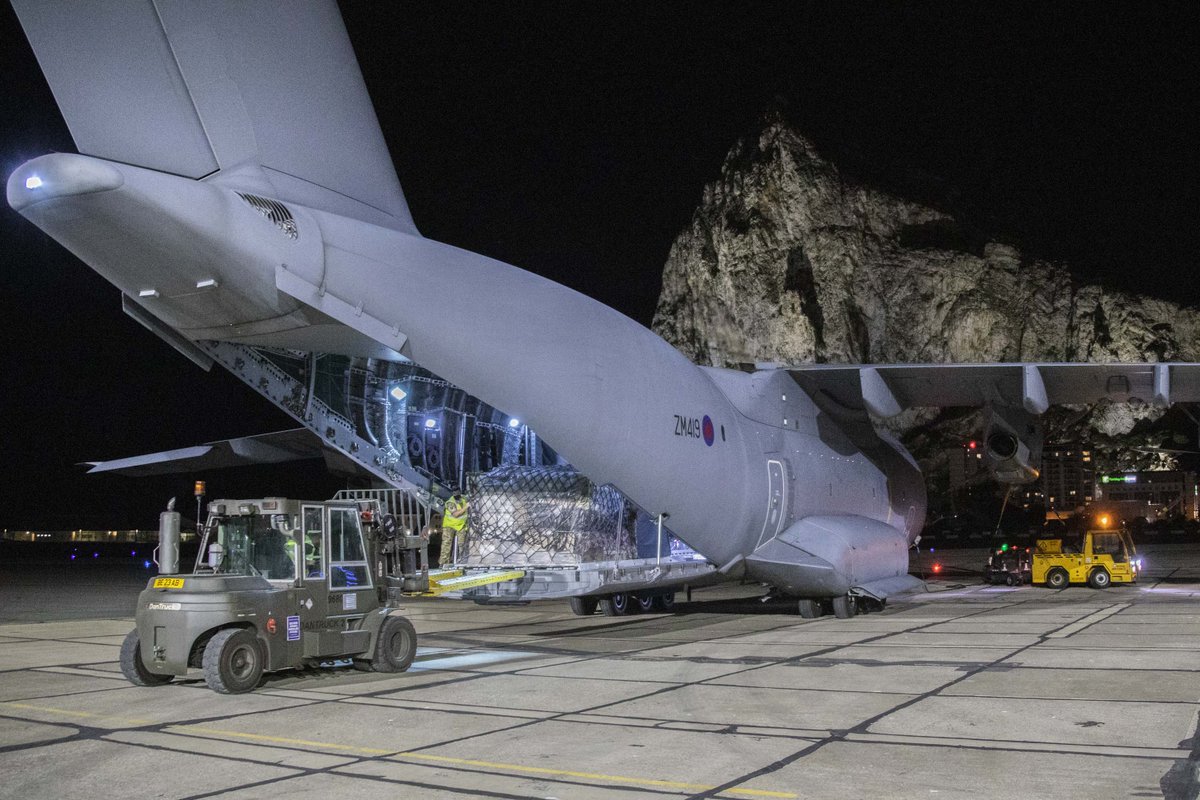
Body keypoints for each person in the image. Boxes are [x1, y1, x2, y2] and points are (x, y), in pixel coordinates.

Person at [440, 493, 468, 566]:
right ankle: (443, 563)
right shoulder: (450, 502)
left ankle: (461, 561)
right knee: (446, 543)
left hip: (461, 525)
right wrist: (466, 507)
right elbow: (455, 514)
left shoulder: (463, 498)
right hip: (449, 525)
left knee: (462, 544)